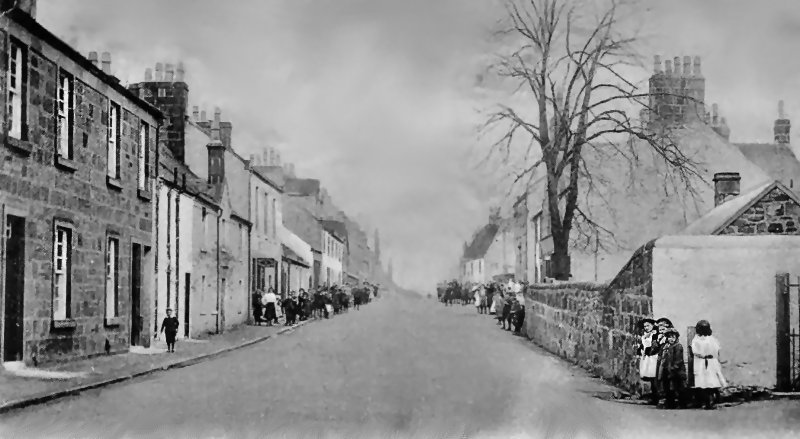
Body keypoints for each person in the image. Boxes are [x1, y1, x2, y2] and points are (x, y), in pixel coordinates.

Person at [691, 320, 727, 410]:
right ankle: (707, 402)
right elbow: (695, 351)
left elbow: (717, 349)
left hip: (711, 362)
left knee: (711, 381)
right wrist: (703, 355)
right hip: (701, 362)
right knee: (703, 383)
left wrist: (717, 358)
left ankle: (714, 399)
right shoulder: (696, 339)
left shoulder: (712, 339)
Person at [659, 327, 686, 409]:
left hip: (676, 370)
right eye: (669, 337)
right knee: (668, 387)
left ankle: (682, 404)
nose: (671, 339)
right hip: (667, 369)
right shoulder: (666, 347)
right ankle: (670, 403)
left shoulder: (678, 346)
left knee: (678, 387)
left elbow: (678, 359)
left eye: (673, 337)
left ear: (676, 337)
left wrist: (673, 368)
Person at [636, 318, 659, 404]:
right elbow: (642, 345)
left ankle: (656, 397)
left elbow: (656, 346)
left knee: (654, 377)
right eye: (645, 326)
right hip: (646, 358)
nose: (646, 327)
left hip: (653, 357)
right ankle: (653, 396)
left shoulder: (655, 335)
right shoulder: (644, 335)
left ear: (652, 325)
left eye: (648, 326)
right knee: (649, 378)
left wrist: (650, 350)